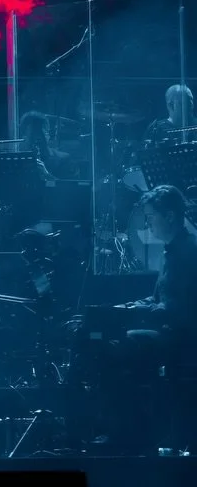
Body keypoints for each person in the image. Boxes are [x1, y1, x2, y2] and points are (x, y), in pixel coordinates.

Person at [89, 185, 197, 452]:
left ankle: (127, 434)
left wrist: (132, 313)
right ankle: (131, 429)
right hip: (171, 330)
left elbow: (177, 309)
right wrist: (122, 307)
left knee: (113, 348)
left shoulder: (188, 253)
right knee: (108, 342)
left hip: (182, 338)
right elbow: (158, 298)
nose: (148, 224)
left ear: (169, 216)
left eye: (151, 217)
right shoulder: (174, 250)